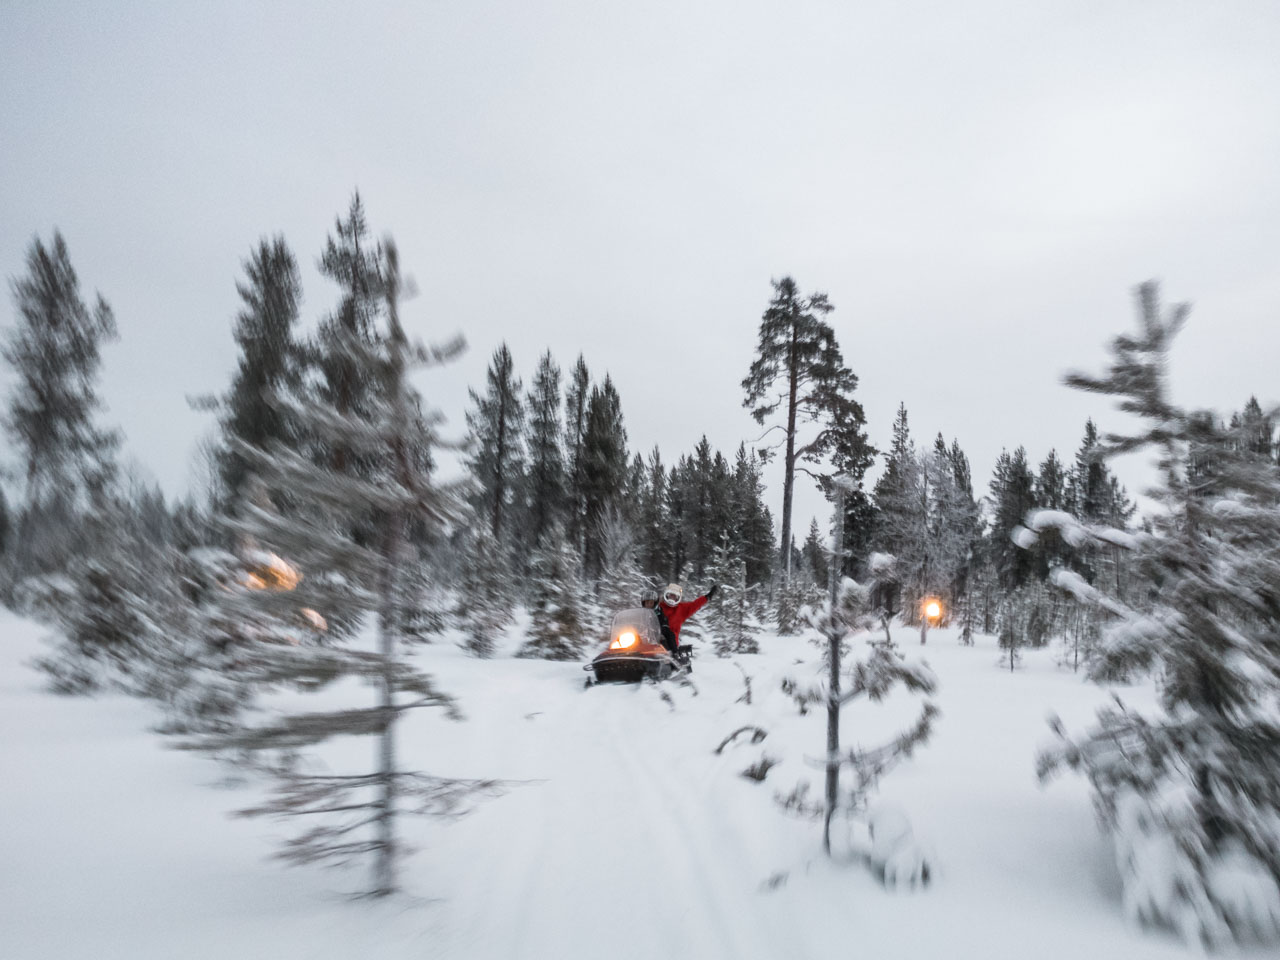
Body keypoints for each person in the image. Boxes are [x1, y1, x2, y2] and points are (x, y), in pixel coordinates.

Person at [640, 582, 717, 658]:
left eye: (674, 596)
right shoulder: (658, 607)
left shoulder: (682, 609)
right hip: (652, 638)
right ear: (666, 595)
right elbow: (646, 612)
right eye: (670, 595)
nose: (672, 598)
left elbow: (694, 605)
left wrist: (707, 597)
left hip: (670, 644)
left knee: (669, 636)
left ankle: (675, 655)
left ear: (678, 598)